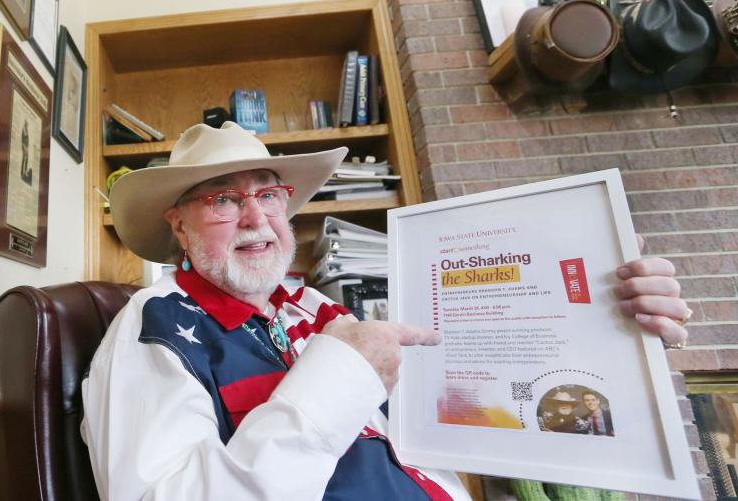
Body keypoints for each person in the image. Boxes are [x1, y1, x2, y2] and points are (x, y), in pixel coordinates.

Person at [80, 122, 691, 500]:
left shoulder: (311, 306)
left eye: (268, 193)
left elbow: (479, 394)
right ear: (179, 228)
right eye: (222, 199)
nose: (256, 216)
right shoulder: (154, 324)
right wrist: (339, 380)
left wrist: (605, 328)